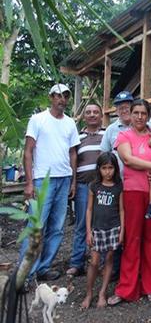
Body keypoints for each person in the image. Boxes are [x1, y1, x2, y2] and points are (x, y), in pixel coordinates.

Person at [107, 99, 151, 306]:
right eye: (136, 113)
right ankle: (127, 288)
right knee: (132, 239)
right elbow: (127, 159)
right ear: (130, 114)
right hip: (133, 192)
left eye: (144, 113)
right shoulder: (125, 135)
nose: (140, 117)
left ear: (149, 115)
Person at [20, 83, 80, 281]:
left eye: (66, 96)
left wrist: (73, 180)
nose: (62, 99)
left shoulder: (70, 123)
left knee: (57, 228)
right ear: (51, 98)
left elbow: (73, 153)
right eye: (58, 95)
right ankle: (27, 274)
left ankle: (43, 268)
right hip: (42, 180)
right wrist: (29, 183)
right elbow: (28, 151)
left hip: (63, 179)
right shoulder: (38, 120)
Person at [81, 152, 124, 309]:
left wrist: (122, 231)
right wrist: (88, 231)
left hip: (113, 228)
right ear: (98, 169)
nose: (107, 172)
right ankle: (89, 293)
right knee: (94, 262)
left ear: (115, 169)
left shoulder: (119, 186)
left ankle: (102, 293)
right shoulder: (94, 186)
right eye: (104, 168)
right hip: (97, 229)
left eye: (111, 168)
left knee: (109, 259)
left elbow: (122, 210)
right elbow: (89, 210)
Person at [67, 103, 105, 277]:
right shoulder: (77, 136)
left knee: (104, 223)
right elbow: (73, 161)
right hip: (83, 186)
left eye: (95, 112)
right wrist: (73, 183)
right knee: (82, 224)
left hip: (104, 186)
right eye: (88, 112)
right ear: (84, 116)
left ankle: (103, 262)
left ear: (101, 115)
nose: (92, 115)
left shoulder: (107, 133)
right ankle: (77, 263)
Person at [99, 90, 133, 280]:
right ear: (117, 110)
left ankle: (131, 266)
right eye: (120, 106)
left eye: (127, 105)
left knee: (133, 226)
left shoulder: (147, 125)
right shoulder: (112, 130)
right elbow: (103, 156)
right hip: (116, 185)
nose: (124, 109)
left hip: (138, 185)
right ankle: (113, 266)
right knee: (115, 225)